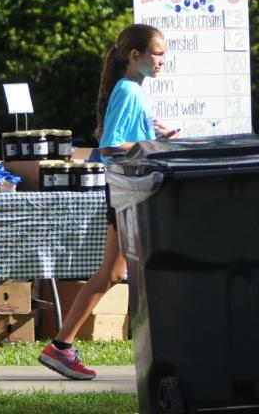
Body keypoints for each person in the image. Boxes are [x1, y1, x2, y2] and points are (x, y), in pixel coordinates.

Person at [39, 23, 178, 380]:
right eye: (157, 53)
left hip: (126, 190)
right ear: (135, 56)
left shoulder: (131, 88)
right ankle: (164, 345)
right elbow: (111, 146)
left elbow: (128, 134)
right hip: (127, 191)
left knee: (113, 273)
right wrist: (154, 145)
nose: (163, 60)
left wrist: (153, 131)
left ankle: (61, 346)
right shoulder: (130, 91)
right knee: (139, 269)